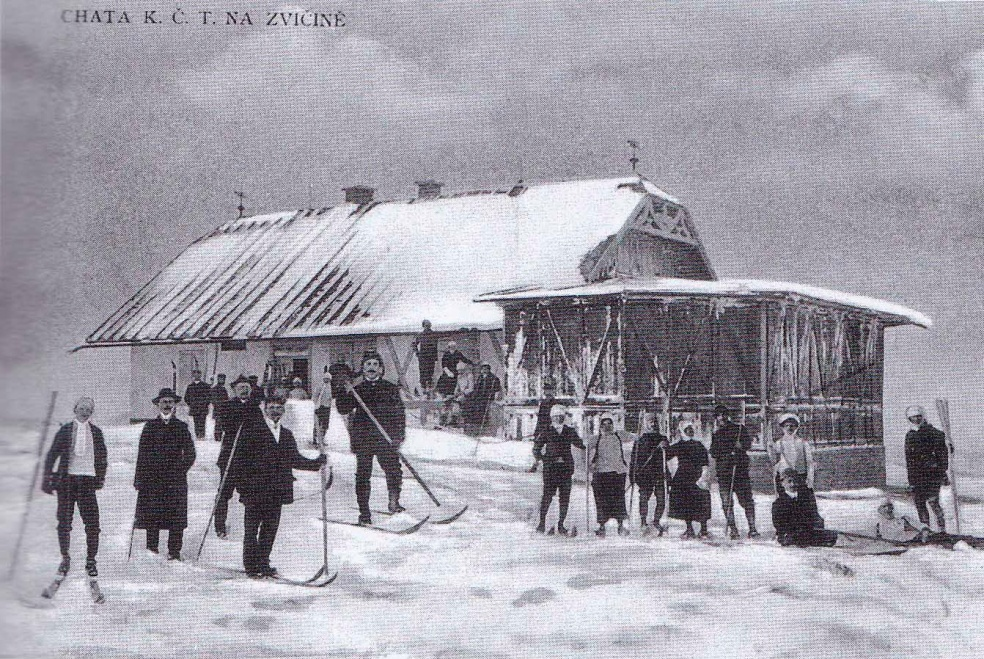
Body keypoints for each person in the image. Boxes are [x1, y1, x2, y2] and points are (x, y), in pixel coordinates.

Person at [236, 395, 326, 577]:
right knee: (252, 530)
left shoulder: (286, 435)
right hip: (255, 489)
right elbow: (240, 462)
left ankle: (263, 562)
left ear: (283, 411)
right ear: (265, 409)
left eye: (279, 408)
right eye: (271, 407)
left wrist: (317, 463)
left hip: (277, 490)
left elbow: (294, 459)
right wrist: (242, 486)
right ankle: (251, 566)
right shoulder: (252, 431)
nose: (275, 411)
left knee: (270, 529)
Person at [335, 351, 407, 525]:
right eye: (368, 365)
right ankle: (364, 512)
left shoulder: (390, 388)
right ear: (363, 369)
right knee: (362, 475)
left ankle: (393, 502)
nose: (372, 368)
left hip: (386, 438)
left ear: (381, 369)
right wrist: (340, 390)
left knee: (394, 470)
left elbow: (399, 413)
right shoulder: (357, 390)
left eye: (375, 364)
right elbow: (343, 409)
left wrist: (398, 436)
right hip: (364, 438)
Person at [41, 397, 107, 578]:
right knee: (64, 523)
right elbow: (52, 455)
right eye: (82, 408)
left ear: (91, 413)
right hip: (67, 482)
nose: (85, 412)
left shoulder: (96, 432)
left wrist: (100, 478)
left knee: (93, 524)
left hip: (87, 482)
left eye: (89, 409)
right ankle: (65, 558)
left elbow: (102, 458)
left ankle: (91, 560)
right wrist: (47, 478)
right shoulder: (65, 430)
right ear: (75, 409)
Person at [134, 388, 197, 560]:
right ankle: (151, 549)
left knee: (176, 515)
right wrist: (139, 479)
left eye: (170, 402)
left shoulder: (181, 427)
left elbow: (190, 453)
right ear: (158, 405)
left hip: (175, 479)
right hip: (153, 479)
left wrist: (180, 469)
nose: (167, 405)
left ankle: (174, 551)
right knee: (153, 513)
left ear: (175, 405)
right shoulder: (150, 427)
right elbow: (142, 454)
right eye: (164, 402)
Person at [214, 375, 264, 538]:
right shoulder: (227, 406)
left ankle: (250, 530)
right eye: (241, 387)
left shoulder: (255, 408)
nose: (244, 390)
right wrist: (243, 416)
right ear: (234, 390)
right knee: (223, 494)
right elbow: (227, 426)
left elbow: (260, 431)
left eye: (247, 387)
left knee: (251, 496)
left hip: (248, 460)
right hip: (230, 457)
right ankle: (219, 526)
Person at [532, 404, 585, 535]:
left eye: (561, 417)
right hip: (551, 469)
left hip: (565, 469)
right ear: (551, 418)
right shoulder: (546, 430)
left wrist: (585, 444)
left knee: (564, 497)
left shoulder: (569, 431)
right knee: (547, 496)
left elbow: (579, 444)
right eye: (555, 417)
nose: (558, 419)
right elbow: (536, 448)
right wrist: (543, 459)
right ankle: (542, 523)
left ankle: (561, 524)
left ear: (564, 417)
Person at [710, 404, 759, 539]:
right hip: (724, 473)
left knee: (746, 501)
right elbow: (713, 452)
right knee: (726, 502)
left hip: (740, 472)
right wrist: (725, 453)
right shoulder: (716, 434)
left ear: (728, 415)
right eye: (719, 415)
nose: (722, 417)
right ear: (716, 418)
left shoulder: (739, 429)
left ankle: (752, 528)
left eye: (724, 414)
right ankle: (733, 529)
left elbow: (748, 444)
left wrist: (741, 446)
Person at [663, 420, 712, 538]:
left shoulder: (699, 445)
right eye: (687, 429)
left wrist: (704, 475)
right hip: (683, 477)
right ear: (682, 431)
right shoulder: (679, 445)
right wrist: (664, 448)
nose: (690, 431)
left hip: (697, 476)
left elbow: (705, 461)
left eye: (691, 429)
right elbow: (667, 455)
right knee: (686, 503)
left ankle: (704, 529)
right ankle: (689, 529)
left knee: (701, 502)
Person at [903, 405, 949, 532]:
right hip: (917, 476)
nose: (916, 420)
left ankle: (942, 529)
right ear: (909, 419)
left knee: (933, 501)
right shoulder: (910, 435)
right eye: (913, 418)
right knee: (920, 504)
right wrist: (911, 480)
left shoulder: (933, 432)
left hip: (932, 474)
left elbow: (942, 454)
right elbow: (909, 460)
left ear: (923, 417)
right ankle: (925, 530)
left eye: (918, 416)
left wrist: (942, 470)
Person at [874, 498, 984, 549]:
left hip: (924, 537)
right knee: (947, 539)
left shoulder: (903, 519)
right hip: (913, 541)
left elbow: (921, 525)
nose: (888, 510)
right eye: (884, 507)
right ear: (880, 511)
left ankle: (977, 541)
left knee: (948, 537)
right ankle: (974, 542)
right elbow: (890, 540)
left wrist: (924, 531)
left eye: (889, 507)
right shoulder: (880, 526)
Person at [586, 413, 631, 537]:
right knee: (601, 501)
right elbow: (586, 451)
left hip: (617, 472)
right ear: (600, 425)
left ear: (613, 424)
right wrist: (589, 464)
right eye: (604, 424)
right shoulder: (596, 438)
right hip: (600, 473)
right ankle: (601, 526)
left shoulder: (619, 435)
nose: (607, 426)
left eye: (609, 423)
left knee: (619, 499)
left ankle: (621, 525)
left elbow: (637, 437)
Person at [772, 468, 836, 547]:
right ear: (782, 483)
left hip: (807, 531)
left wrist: (817, 523)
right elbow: (779, 524)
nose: (793, 484)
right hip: (790, 533)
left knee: (831, 535)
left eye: (795, 481)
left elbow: (813, 514)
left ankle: (810, 539)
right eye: (789, 481)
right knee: (797, 537)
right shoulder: (779, 503)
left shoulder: (806, 497)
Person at [629, 412, 667, 536]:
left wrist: (665, 448)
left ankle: (656, 521)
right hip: (645, 474)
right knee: (644, 499)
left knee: (661, 500)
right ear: (646, 424)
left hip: (659, 473)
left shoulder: (662, 438)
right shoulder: (640, 440)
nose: (653, 424)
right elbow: (634, 459)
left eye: (655, 421)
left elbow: (668, 456)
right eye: (650, 421)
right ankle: (643, 521)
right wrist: (632, 475)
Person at [769, 413, 815, 495]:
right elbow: (775, 462)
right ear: (782, 427)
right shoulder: (779, 443)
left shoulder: (803, 443)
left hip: (800, 477)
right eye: (786, 426)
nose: (789, 428)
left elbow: (809, 462)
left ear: (796, 427)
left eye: (792, 426)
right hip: (785, 477)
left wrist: (810, 478)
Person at [529, 376, 558, 473]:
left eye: (549, 390)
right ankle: (538, 463)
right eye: (546, 390)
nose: (547, 392)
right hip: (541, 428)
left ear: (552, 391)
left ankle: (542, 465)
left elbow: (555, 417)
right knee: (536, 449)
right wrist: (537, 431)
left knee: (550, 449)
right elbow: (540, 418)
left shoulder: (555, 403)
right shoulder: (543, 402)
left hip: (550, 429)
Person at [470, 364, 502, 436]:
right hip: (479, 397)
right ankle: (476, 425)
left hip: (488, 397)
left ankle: (484, 426)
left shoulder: (494, 378)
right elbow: (477, 388)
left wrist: (492, 393)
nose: (483, 371)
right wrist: (474, 396)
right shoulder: (480, 377)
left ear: (488, 370)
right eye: (482, 369)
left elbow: (497, 389)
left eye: (485, 369)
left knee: (484, 408)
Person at [184, 369, 212, 440]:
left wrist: (205, 403)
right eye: (195, 374)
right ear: (193, 375)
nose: (197, 375)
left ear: (200, 375)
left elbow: (210, 396)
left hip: (203, 407)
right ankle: (197, 435)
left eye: (198, 374)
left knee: (202, 421)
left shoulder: (206, 386)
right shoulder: (190, 386)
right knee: (196, 421)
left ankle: (202, 435)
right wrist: (191, 403)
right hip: (194, 408)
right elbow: (186, 397)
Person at [414, 319, 439, 395]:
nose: (427, 327)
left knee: (430, 373)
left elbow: (435, 347)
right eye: (426, 325)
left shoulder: (434, 335)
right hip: (423, 358)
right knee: (423, 374)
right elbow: (414, 344)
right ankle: (423, 391)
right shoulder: (420, 335)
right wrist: (417, 353)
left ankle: (430, 391)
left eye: (428, 325)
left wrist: (435, 358)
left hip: (431, 358)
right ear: (423, 326)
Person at [313, 374, 334, 443]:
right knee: (318, 423)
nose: (326, 380)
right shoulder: (320, 386)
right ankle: (315, 438)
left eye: (328, 379)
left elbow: (332, 396)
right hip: (320, 406)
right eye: (325, 378)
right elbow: (315, 396)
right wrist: (316, 404)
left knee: (325, 423)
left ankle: (322, 438)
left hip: (327, 407)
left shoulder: (331, 387)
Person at [210, 373, 230, 439]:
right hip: (218, 409)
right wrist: (220, 406)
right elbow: (213, 400)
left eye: (223, 379)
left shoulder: (224, 389)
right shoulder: (215, 389)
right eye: (220, 379)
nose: (222, 380)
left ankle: (220, 435)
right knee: (218, 424)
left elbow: (226, 399)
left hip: (224, 409)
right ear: (218, 379)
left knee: (222, 423)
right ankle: (217, 436)